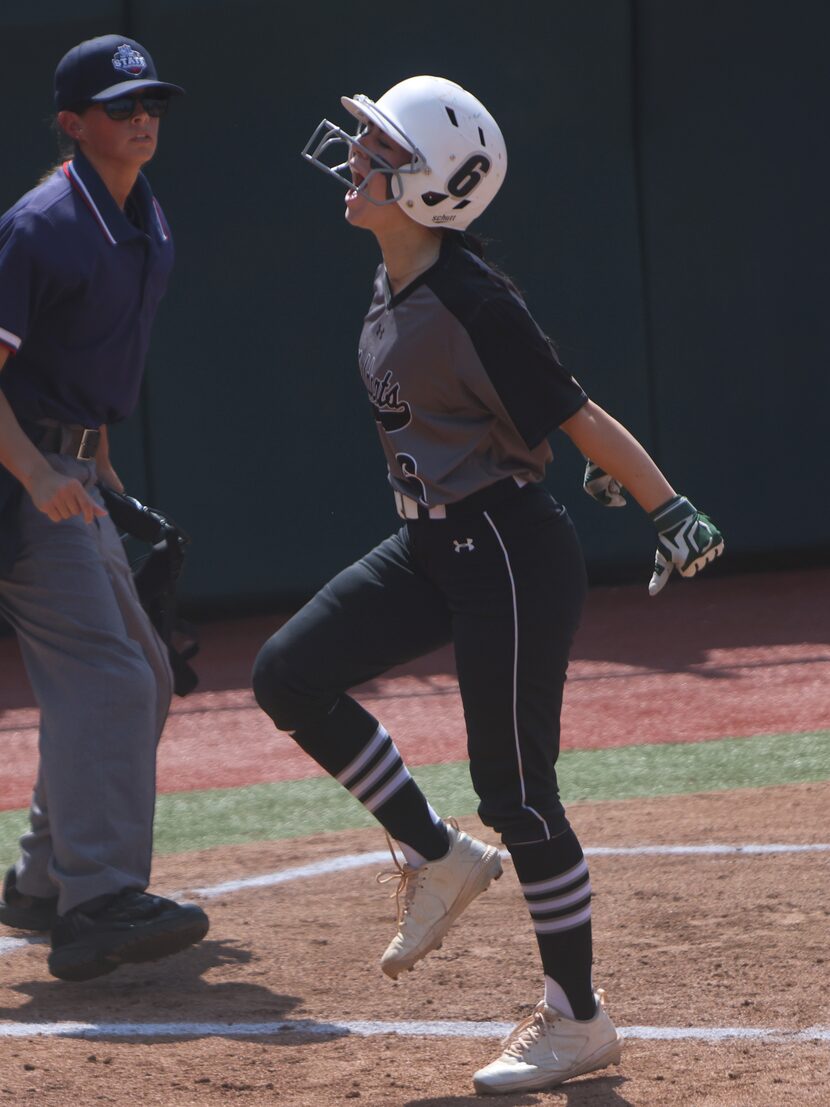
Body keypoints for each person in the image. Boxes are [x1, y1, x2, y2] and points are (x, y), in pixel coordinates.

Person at [254, 76, 723, 1094]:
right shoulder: (395, 281)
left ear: (425, 188)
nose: (353, 155)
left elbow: (575, 411)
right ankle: (434, 855)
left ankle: (576, 1019)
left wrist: (664, 505)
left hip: (503, 549)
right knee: (288, 674)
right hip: (434, 545)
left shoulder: (469, 298)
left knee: (519, 793)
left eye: (376, 147)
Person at [0, 35, 209, 981]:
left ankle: (44, 884)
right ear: (71, 124)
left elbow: (82, 368)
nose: (141, 118)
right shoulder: (42, 225)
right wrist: (40, 475)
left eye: (149, 103)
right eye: (120, 106)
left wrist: (100, 468)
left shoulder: (145, 219)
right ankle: (96, 905)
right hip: (20, 476)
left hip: (72, 470)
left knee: (148, 674)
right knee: (108, 677)